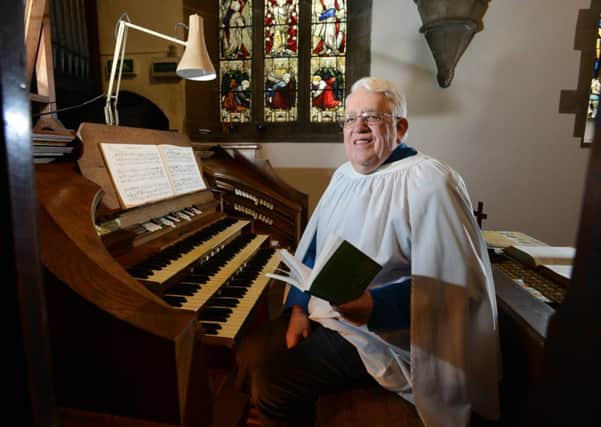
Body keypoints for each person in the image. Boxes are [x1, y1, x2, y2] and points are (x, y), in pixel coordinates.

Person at [234, 77, 500, 427]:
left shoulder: (431, 182)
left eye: (372, 117)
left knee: (273, 381)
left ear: (400, 128)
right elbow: (312, 251)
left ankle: (275, 411)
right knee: (249, 350)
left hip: (385, 335)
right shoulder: (345, 176)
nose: (358, 127)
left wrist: (375, 307)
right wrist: (298, 307)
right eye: (350, 118)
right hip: (327, 313)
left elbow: (454, 288)